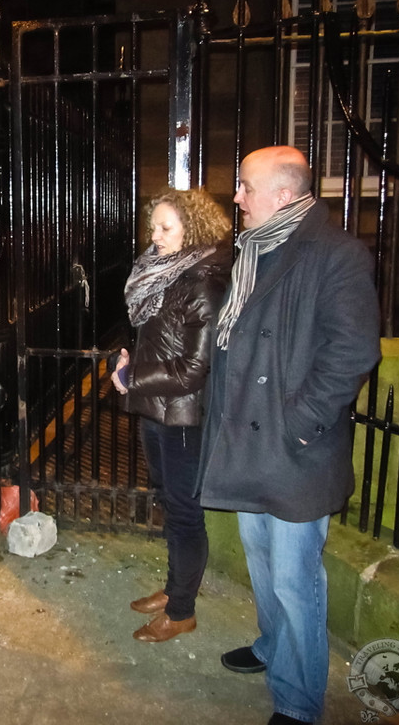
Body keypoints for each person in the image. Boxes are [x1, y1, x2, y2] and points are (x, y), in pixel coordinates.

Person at [198, 146, 380, 725]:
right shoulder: (252, 253)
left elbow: (353, 352)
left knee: (296, 579)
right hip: (250, 442)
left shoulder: (336, 255)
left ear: (283, 194)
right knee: (260, 562)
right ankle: (273, 647)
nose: (237, 197)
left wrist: (299, 423)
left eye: (246, 187)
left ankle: (300, 702)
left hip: (296, 449)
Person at [111, 187, 231, 643]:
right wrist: (130, 357)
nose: (155, 236)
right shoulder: (164, 273)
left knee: (184, 512)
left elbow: (195, 369)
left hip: (182, 416)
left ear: (192, 228)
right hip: (156, 411)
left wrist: (134, 377)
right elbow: (159, 338)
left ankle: (181, 610)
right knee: (169, 501)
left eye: (166, 228)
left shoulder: (203, 280)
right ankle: (174, 588)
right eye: (153, 227)